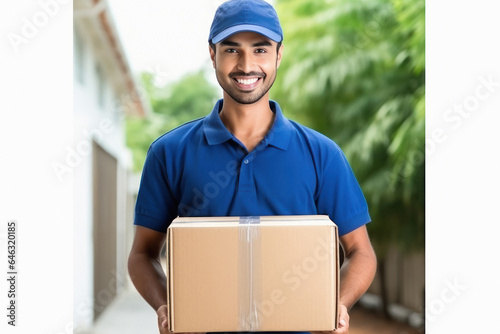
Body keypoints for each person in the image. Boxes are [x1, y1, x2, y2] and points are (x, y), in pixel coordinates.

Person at [128, 0, 377, 333]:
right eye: (232, 50)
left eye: (260, 50)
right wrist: (164, 305)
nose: (246, 65)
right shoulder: (169, 153)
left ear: (278, 55)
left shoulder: (322, 154)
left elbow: (361, 252)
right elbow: (142, 254)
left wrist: (337, 307)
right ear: (212, 54)